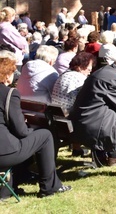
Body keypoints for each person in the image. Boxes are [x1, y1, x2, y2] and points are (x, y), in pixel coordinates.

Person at [0, 58, 71, 198]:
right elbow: (21, 131)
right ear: (7, 75)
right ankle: (49, 186)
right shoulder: (8, 93)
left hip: (5, 149)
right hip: (4, 153)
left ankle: (11, 186)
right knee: (45, 136)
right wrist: (28, 126)